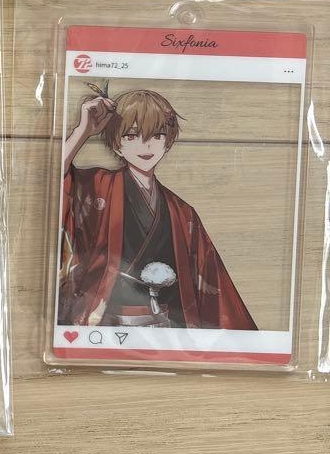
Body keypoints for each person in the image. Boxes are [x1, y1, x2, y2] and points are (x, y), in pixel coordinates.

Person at [59, 88, 256, 330]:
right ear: (117, 144)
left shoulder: (182, 212)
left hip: (167, 326)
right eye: (131, 136)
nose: (146, 144)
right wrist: (83, 131)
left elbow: (211, 281)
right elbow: (54, 180)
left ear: (168, 142)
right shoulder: (99, 187)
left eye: (157, 135)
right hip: (104, 323)